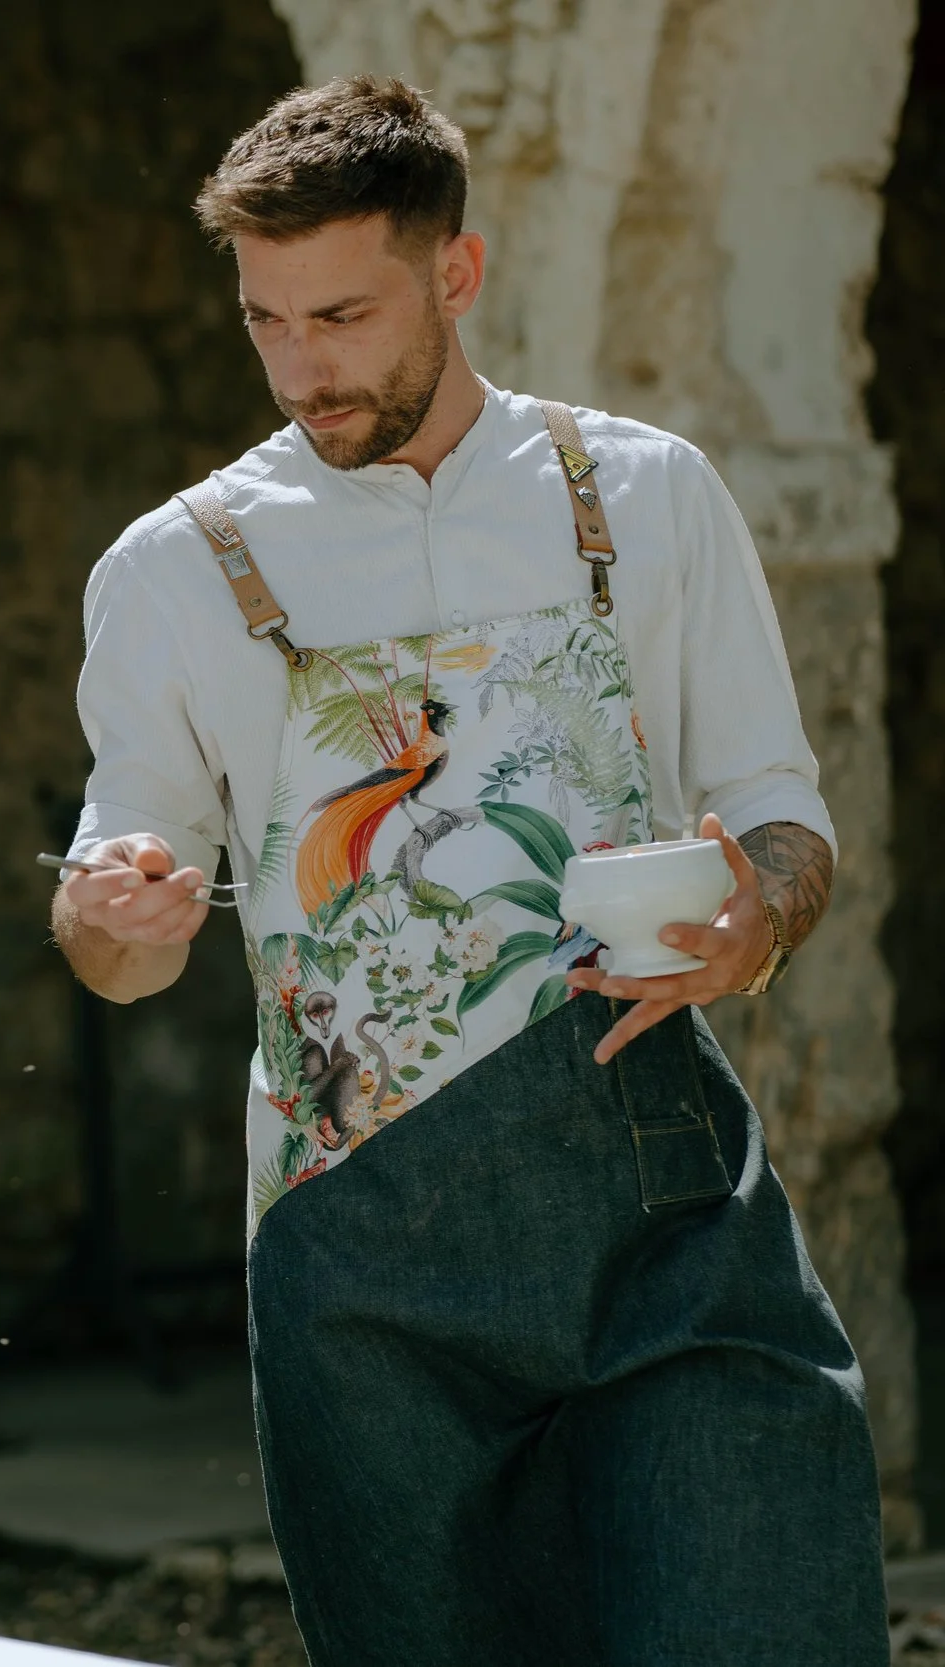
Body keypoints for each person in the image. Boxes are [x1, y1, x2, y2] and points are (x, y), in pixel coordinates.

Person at [52, 77, 885, 1666]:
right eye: (268, 321)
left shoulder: (647, 495)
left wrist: (756, 918)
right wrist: (109, 917)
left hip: (663, 1225)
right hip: (365, 1277)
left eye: (345, 315)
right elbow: (122, 922)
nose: (306, 368)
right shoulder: (173, 570)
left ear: (458, 273)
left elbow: (780, 806)